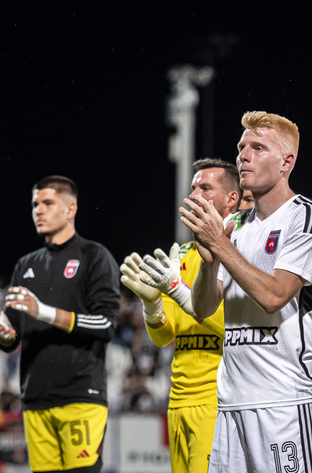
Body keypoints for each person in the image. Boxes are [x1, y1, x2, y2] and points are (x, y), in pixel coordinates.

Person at [181, 111, 312, 473]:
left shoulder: (308, 217)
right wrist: (209, 262)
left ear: (286, 162)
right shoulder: (233, 224)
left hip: (284, 400)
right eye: (241, 147)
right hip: (230, 400)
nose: (244, 156)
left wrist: (221, 245)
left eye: (258, 148)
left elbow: (274, 296)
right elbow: (203, 308)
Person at [0, 175, 119, 473]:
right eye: (35, 204)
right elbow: (13, 332)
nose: (39, 210)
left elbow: (106, 324)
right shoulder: (25, 264)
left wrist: (45, 312)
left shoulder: (94, 256)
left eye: (47, 203)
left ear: (71, 209)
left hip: (80, 395)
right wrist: (4, 334)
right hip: (35, 397)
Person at [120, 158, 241, 473]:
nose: (194, 195)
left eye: (205, 188)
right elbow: (163, 337)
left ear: (232, 198)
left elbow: (234, 327)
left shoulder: (240, 251)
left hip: (218, 401)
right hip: (177, 402)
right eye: (193, 188)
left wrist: (178, 291)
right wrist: (151, 304)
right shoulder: (182, 254)